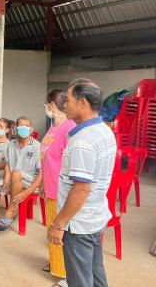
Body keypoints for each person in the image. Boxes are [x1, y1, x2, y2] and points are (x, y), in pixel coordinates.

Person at [47, 79, 116, 287]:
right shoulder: (104, 130)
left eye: (67, 100)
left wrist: (59, 224)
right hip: (95, 216)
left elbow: (81, 188)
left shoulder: (83, 140)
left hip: (79, 224)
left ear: (83, 103)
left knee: (79, 281)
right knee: (95, 275)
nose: (64, 105)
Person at [40, 90, 76, 285]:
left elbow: (71, 161)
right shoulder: (54, 126)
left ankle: (64, 272)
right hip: (50, 185)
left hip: (62, 189)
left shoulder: (69, 128)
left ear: (55, 105)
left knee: (60, 230)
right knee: (51, 228)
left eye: (49, 104)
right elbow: (46, 156)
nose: (47, 108)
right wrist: (43, 183)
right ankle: (55, 263)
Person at [0, 116, 42, 231]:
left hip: (31, 178)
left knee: (15, 173)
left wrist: (28, 191)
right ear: (16, 127)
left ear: (31, 129)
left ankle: (11, 211)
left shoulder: (37, 146)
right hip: (14, 178)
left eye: (26, 125)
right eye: (21, 125)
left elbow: (41, 173)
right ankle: (0, 215)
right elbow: (8, 164)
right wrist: (6, 181)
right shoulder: (11, 144)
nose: (24, 128)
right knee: (11, 175)